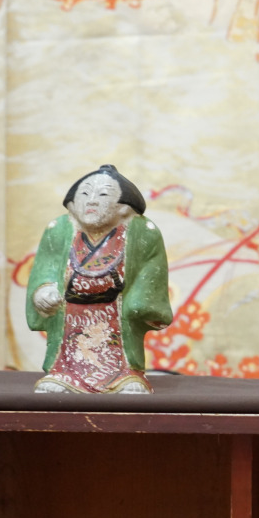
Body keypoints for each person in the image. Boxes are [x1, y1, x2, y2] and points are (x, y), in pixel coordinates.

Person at [26, 165, 172, 394]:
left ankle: (128, 374)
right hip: (71, 314)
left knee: (126, 376)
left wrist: (140, 302)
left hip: (115, 315)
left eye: (103, 194)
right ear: (72, 203)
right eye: (84, 194)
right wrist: (43, 291)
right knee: (66, 362)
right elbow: (45, 268)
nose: (91, 200)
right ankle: (62, 373)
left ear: (124, 207)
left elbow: (152, 270)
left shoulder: (143, 231)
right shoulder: (58, 229)